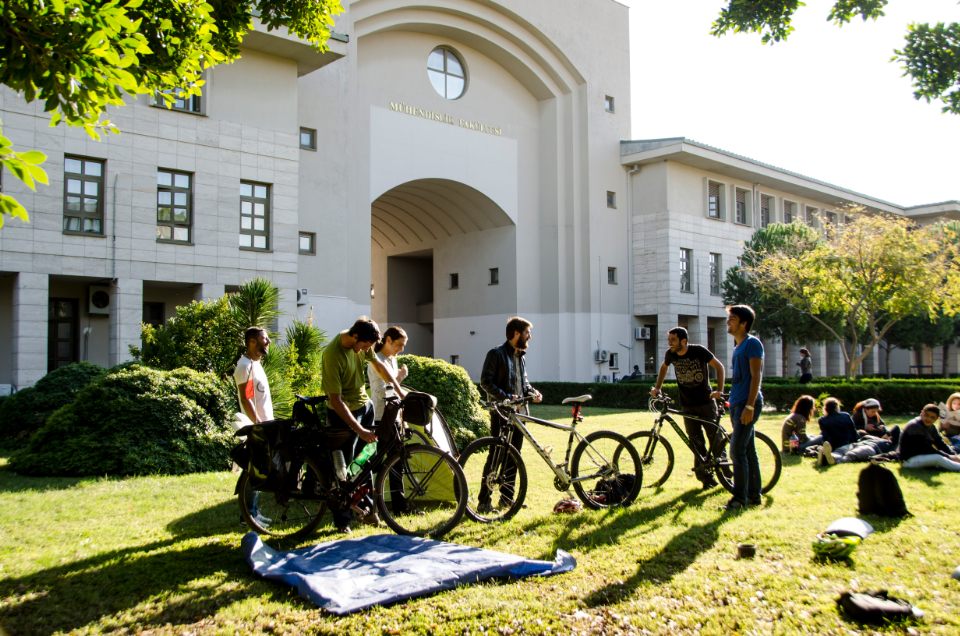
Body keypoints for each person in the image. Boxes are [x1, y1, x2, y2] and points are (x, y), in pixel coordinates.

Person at [322, 316, 406, 533]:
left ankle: (365, 510)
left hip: (364, 408)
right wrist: (359, 430)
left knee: (365, 461)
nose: (366, 350)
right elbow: (335, 400)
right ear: (354, 336)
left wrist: (399, 391)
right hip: (342, 414)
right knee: (344, 468)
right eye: (365, 346)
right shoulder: (332, 355)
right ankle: (343, 521)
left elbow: (378, 366)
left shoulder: (363, 341)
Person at [478, 316, 543, 514]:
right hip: (501, 413)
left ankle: (507, 498)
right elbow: (485, 382)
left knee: (514, 457)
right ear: (516, 333)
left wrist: (532, 392)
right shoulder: (496, 354)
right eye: (527, 333)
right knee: (496, 456)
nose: (529, 336)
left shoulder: (520, 356)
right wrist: (507, 397)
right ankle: (483, 501)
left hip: (520, 415)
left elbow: (523, 384)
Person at [651, 327, 725, 488]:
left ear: (683, 341)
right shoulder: (670, 355)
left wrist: (719, 390)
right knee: (696, 442)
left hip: (706, 403)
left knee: (716, 439)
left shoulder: (699, 351)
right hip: (687, 405)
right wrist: (658, 387)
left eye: (673, 340)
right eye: (669, 340)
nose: (669, 343)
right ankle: (706, 479)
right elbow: (664, 367)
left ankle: (726, 474)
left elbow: (719, 367)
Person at [719, 305, 764, 511]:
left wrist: (749, 405)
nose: (728, 321)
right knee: (748, 450)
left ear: (744, 323)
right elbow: (740, 378)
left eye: (732, 318)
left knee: (736, 451)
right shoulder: (738, 347)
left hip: (747, 404)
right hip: (737, 403)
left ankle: (738, 499)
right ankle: (754, 496)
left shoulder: (752, 343)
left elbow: (756, 375)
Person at [367, 326, 410, 514]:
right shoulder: (376, 360)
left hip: (394, 418)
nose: (401, 349)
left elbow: (395, 396)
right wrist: (399, 378)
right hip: (380, 418)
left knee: (396, 463)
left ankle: (399, 507)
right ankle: (366, 506)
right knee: (372, 463)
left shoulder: (392, 359)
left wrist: (403, 420)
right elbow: (381, 392)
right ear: (388, 340)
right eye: (399, 344)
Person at [234, 326, 273, 527]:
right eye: (264, 339)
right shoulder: (245, 366)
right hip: (256, 428)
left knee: (257, 471)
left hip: (264, 425)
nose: (268, 342)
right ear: (252, 341)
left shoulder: (255, 364)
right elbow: (246, 398)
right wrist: (258, 425)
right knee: (252, 472)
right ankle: (247, 516)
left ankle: (253, 512)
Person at [898, 404, 960, 472]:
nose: (928, 419)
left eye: (932, 417)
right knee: (938, 458)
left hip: (921, 457)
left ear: (937, 419)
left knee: (953, 456)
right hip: (908, 461)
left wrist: (953, 455)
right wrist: (949, 457)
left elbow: (939, 443)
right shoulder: (914, 426)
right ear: (922, 413)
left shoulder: (931, 427)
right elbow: (926, 448)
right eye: (926, 415)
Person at [816, 398, 859, 467]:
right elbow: (854, 432)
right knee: (844, 455)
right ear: (836, 407)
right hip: (848, 444)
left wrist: (828, 447)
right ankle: (827, 457)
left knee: (816, 447)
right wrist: (857, 443)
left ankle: (824, 454)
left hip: (834, 445)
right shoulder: (846, 416)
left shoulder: (822, 419)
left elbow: (826, 437)